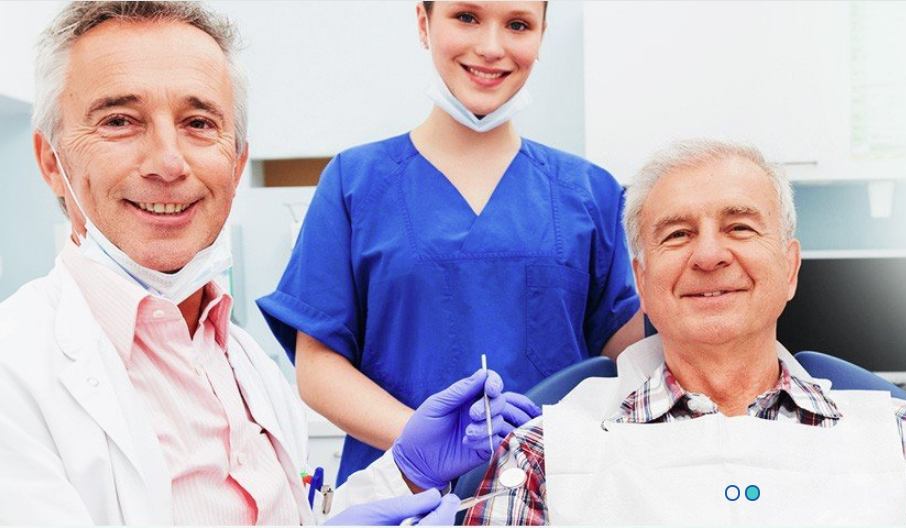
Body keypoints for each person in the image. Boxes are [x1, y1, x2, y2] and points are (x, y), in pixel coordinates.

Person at [0, 2, 523, 524]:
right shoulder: (17, 374)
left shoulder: (242, 361)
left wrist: (408, 467)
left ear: (236, 161)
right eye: (119, 121)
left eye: (199, 122)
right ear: (52, 160)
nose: (168, 162)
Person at [463, 139, 906, 525]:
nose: (710, 255)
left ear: (790, 268)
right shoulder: (539, 455)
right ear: (642, 283)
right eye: (677, 234)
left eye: (740, 227)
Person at [257, 0, 643, 487]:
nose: (491, 47)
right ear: (423, 22)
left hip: (554, 492)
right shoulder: (355, 183)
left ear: (542, 34)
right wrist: (430, 444)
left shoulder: (592, 193)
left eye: (518, 25)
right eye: (466, 17)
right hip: (402, 492)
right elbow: (318, 368)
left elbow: (628, 367)